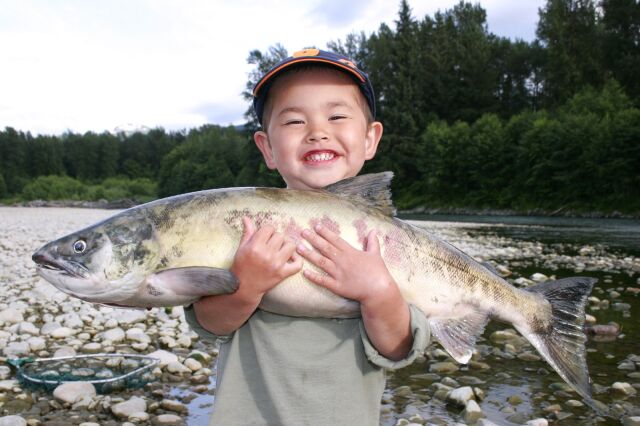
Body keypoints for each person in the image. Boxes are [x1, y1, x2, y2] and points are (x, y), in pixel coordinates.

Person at [184, 48, 430, 425]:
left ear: (370, 138)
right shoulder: (243, 229)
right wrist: (244, 285)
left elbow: (397, 348)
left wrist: (378, 291)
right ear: (267, 147)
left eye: (336, 116)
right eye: (295, 121)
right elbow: (212, 323)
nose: (318, 132)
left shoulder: (384, 247)